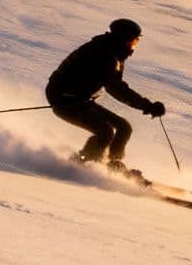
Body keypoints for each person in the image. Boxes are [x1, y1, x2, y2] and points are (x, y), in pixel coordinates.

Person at [46, 18, 165, 173]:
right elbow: (116, 88)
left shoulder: (113, 51)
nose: (134, 45)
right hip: (65, 99)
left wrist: (147, 106)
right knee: (105, 131)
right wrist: (147, 106)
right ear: (123, 39)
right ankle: (83, 165)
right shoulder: (105, 54)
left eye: (137, 41)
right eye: (133, 41)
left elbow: (115, 84)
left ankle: (113, 163)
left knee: (124, 127)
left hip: (79, 99)